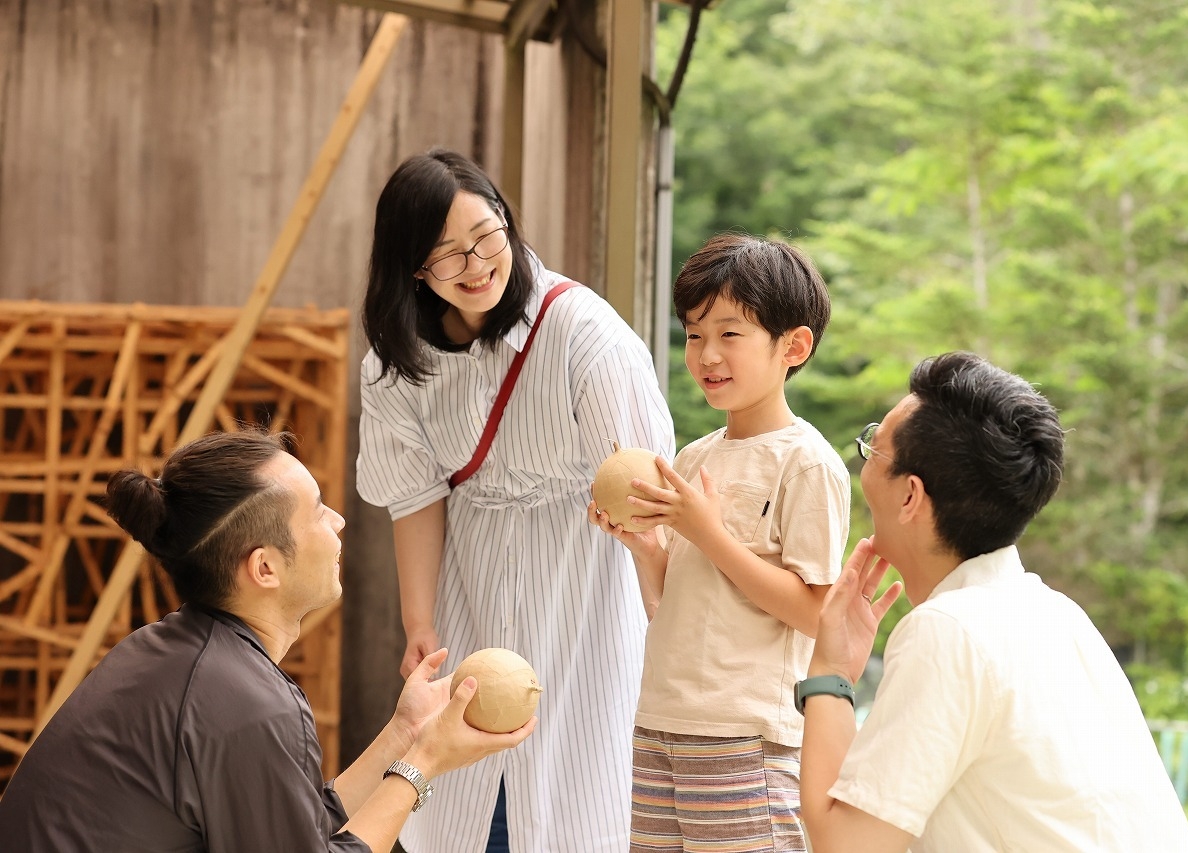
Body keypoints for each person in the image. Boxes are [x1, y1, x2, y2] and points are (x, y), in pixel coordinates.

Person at [0, 429, 534, 852]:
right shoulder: (242, 703)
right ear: (265, 567)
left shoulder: (179, 656)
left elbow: (301, 829)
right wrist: (424, 763)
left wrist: (405, 733)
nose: (340, 522)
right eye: (319, 511)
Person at [357, 149, 674, 853]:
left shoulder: (582, 333)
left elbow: (645, 491)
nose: (476, 264)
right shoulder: (393, 357)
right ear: (413, 268)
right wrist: (420, 622)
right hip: (470, 591)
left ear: (506, 219)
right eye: (447, 255)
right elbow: (413, 494)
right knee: (469, 801)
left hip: (585, 593)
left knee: (578, 803)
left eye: (486, 236)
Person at [798, 352, 1188, 852]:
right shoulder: (1056, 614)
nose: (864, 468)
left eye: (871, 452)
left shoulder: (947, 630)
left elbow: (846, 845)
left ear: (909, 497)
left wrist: (829, 673)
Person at [590, 234, 851, 852]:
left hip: (745, 735)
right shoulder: (693, 457)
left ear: (794, 346)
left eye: (730, 334)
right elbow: (670, 602)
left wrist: (705, 531)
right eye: (694, 334)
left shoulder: (808, 463)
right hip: (660, 723)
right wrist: (644, 548)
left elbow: (815, 612)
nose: (707, 354)